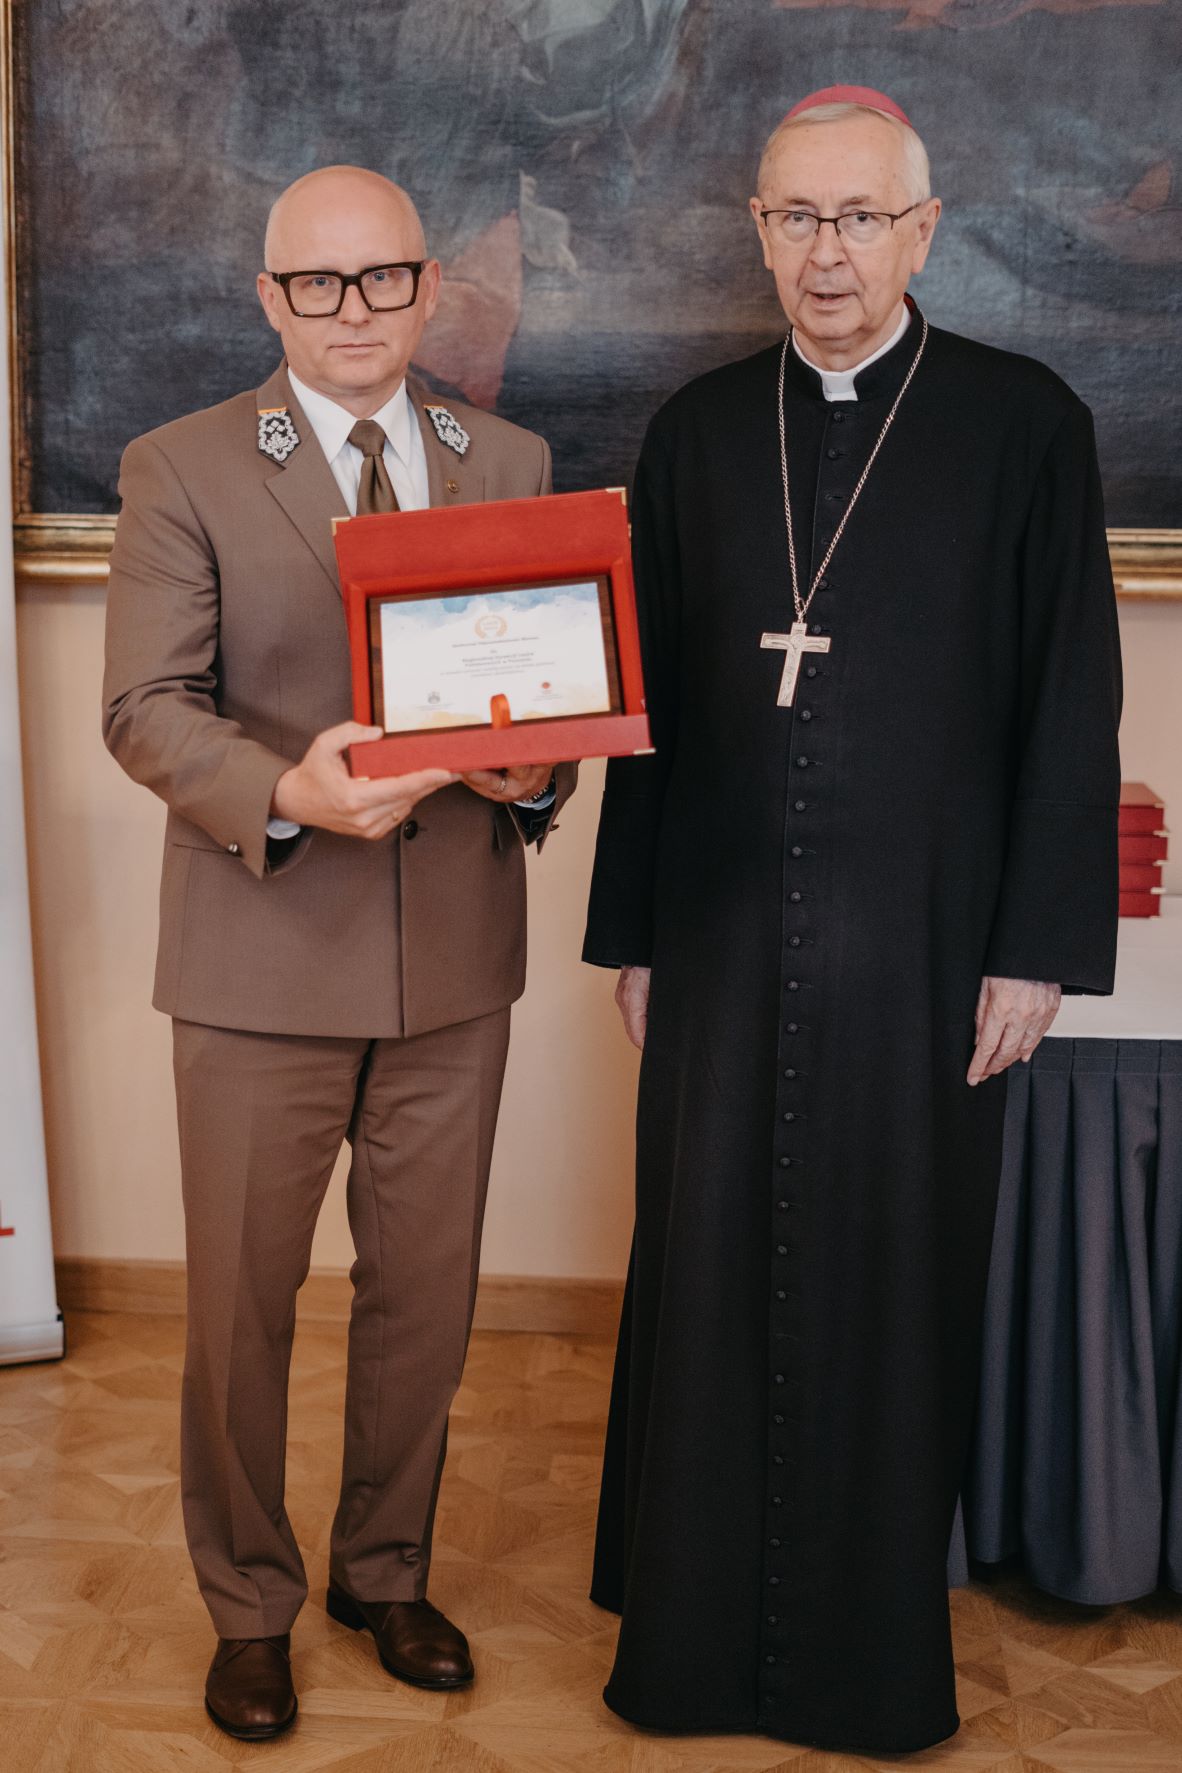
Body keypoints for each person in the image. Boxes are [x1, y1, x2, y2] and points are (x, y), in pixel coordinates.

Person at [582, 86, 1121, 1755]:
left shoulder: (1022, 421)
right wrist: (632, 932)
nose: (825, 255)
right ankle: (685, 1651)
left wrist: (1036, 943)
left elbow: (1070, 702)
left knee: (890, 1280)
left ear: (922, 230)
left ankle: (859, 1670)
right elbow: (641, 702)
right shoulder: (691, 432)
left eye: (858, 219)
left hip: (926, 945)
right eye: (792, 220)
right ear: (754, 232)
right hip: (724, 936)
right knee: (712, 1260)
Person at [103, 166, 575, 1742]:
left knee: (424, 1299)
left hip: (454, 966)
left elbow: (535, 700)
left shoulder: (504, 458)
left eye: (384, 280)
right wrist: (281, 792)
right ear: (269, 300)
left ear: (429, 290)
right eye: (320, 284)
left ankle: (386, 1568)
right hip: (256, 960)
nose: (355, 310)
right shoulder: (178, 466)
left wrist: (535, 767)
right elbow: (146, 706)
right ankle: (249, 1600)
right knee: (241, 1307)